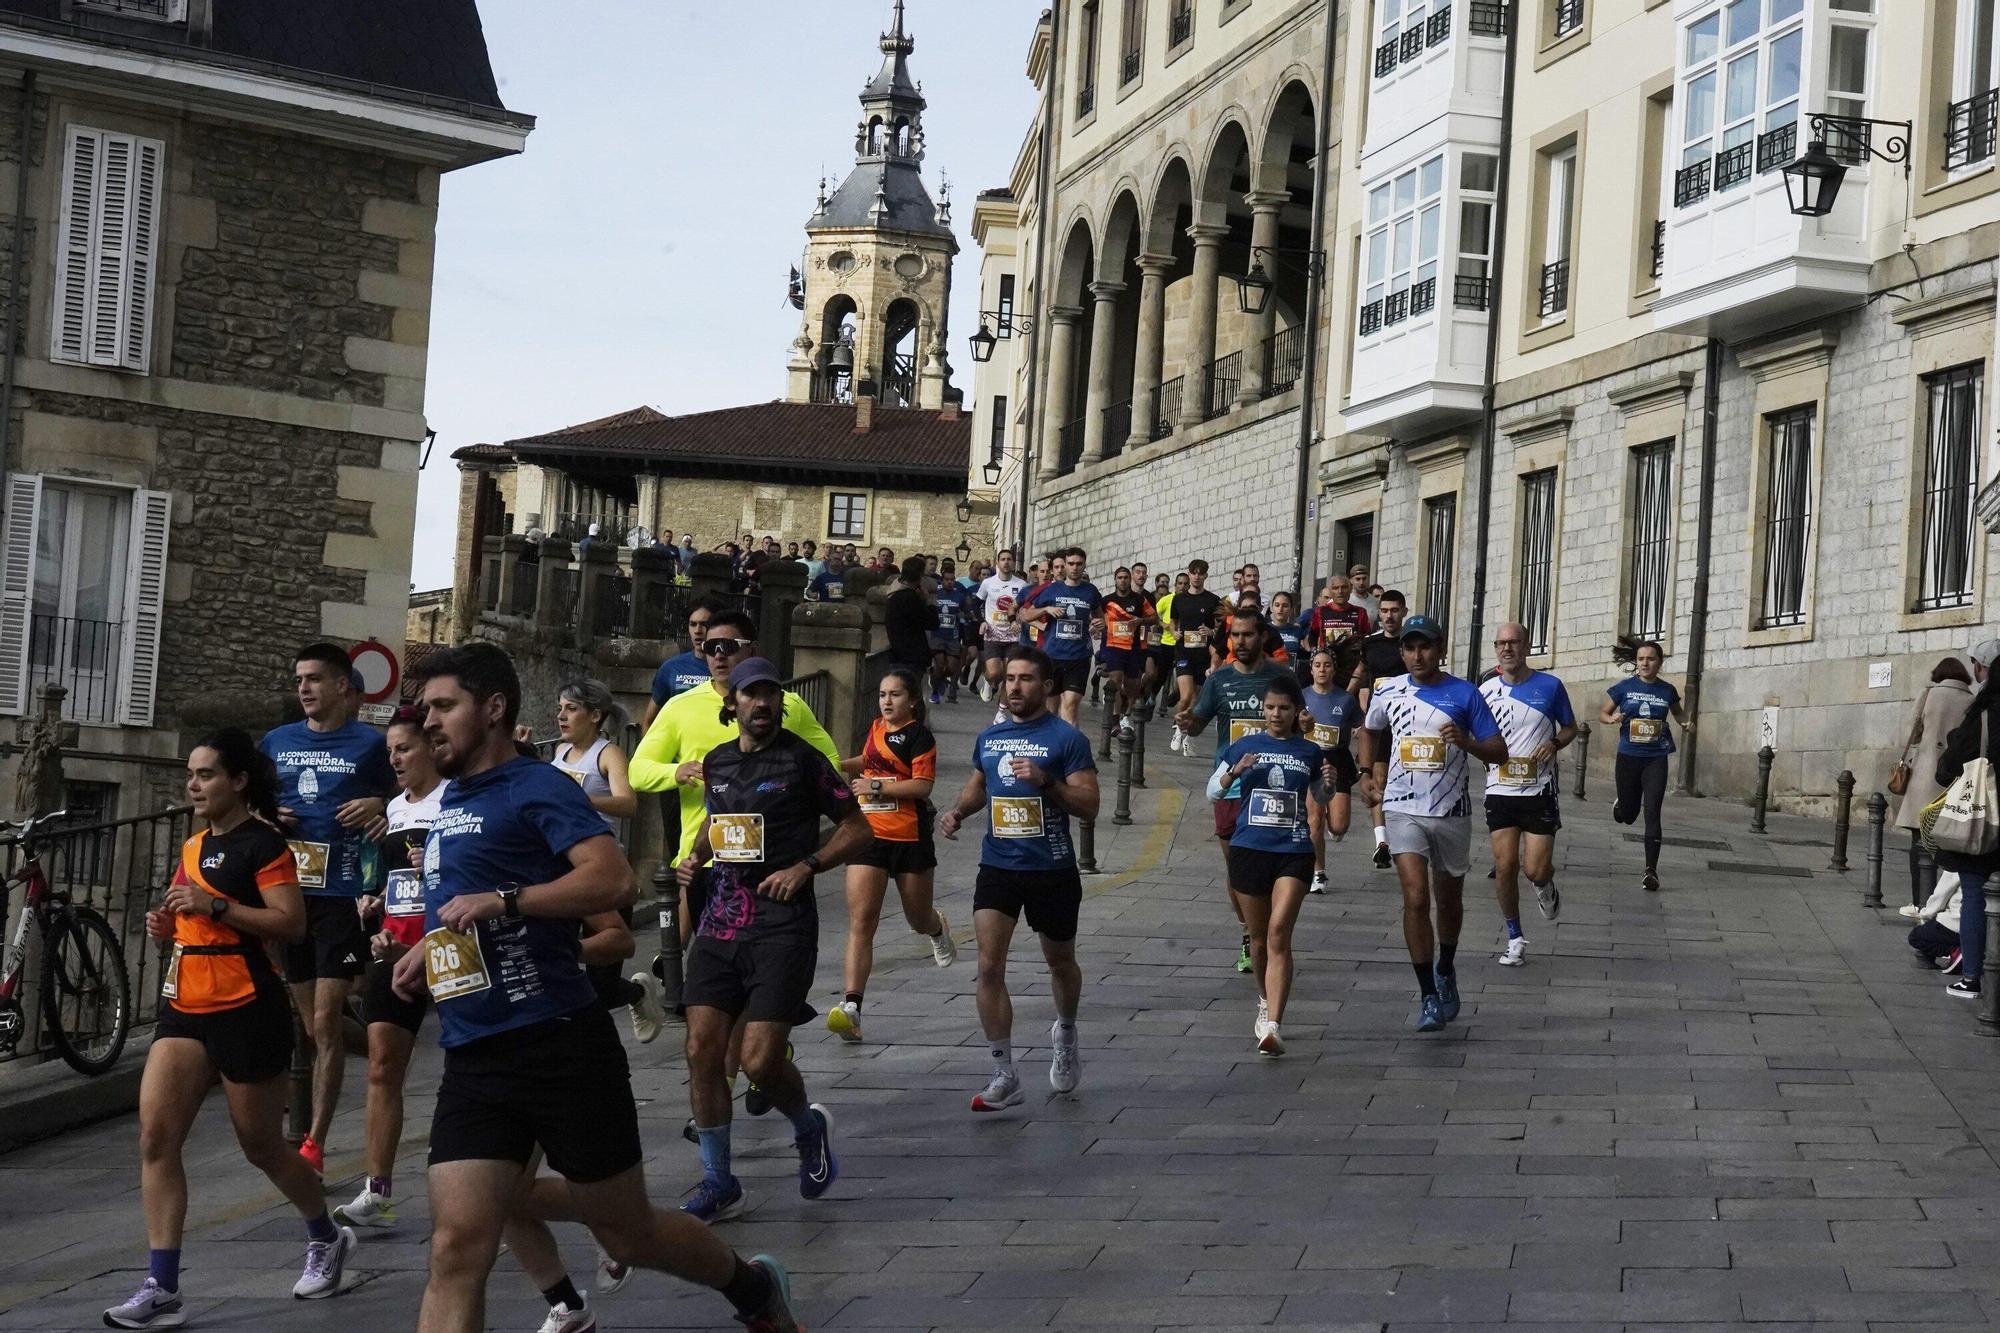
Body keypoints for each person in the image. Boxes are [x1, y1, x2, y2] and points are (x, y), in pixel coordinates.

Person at [392, 642, 804, 1333]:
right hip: (475, 1054)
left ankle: (751, 1285)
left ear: (492, 708)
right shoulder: (452, 796)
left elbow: (614, 881)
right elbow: (464, 907)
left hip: (561, 1048)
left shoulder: (539, 786)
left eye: (443, 706)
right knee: (456, 1247)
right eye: (424, 708)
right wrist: (431, 952)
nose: (428, 721)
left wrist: (506, 899)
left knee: (629, 1235)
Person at [105, 730, 353, 1328]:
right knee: (156, 1139)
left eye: (207, 774)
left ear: (238, 780)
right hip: (185, 1004)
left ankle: (326, 1234)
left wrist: (212, 906)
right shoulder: (193, 846)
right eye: (191, 774)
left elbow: (290, 925)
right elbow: (187, 913)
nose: (193, 785)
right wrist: (169, 925)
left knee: (261, 1147)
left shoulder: (264, 844)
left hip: (247, 1004)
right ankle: (162, 1284)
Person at [674, 658, 873, 1219]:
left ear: (780, 704)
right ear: (731, 703)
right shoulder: (716, 763)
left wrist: (807, 866)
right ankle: (719, 1182)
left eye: (770, 695)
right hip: (719, 923)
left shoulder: (803, 760)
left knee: (760, 1063)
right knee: (700, 1051)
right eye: (750, 694)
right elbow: (722, 829)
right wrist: (696, 860)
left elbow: (858, 828)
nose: (761, 703)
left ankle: (808, 1126)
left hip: (782, 927)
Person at [938, 646, 1097, 1111]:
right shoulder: (990, 737)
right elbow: (979, 786)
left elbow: (1089, 805)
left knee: (1060, 963)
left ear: (1046, 686)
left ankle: (1065, 1031)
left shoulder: (1067, 739)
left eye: (1026, 678)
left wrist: (1047, 782)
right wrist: (958, 812)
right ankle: (1004, 1072)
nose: (1014, 686)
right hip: (999, 866)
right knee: (988, 966)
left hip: (1051, 868)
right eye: (1009, 678)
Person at [259, 642, 396, 1173]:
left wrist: (381, 804)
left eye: (314, 679)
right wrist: (270, 817)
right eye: (299, 680)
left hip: (342, 894)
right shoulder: (276, 741)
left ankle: (313, 1145)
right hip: (288, 895)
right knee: (318, 1027)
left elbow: (418, 792)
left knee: (322, 1017)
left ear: (344, 687)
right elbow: (251, 800)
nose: (304, 688)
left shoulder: (371, 745)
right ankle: (387, 1043)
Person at [1357, 615, 1508, 1032]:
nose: (1417, 655)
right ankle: (1426, 994)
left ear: (1440, 649)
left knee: (1449, 900)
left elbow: (1499, 751)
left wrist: (1468, 743)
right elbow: (1368, 731)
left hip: (1451, 812)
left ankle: (1446, 966)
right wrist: (1366, 773)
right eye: (1409, 647)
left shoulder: (1465, 694)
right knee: (1416, 898)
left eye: (1425, 647)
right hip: (1403, 807)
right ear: (1401, 651)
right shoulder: (1389, 690)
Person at [334, 710, 444, 1233]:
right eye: (390, 751)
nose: (395, 759)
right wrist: (376, 911)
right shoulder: (394, 810)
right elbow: (398, 883)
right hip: (395, 948)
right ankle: (377, 1191)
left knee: (473, 1064)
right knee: (381, 1066)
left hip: (450, 944)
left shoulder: (459, 799)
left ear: (430, 748)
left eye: (404, 748)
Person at [1206, 675, 1332, 1057]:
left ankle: (1274, 1024)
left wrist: (1329, 783)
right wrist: (1236, 770)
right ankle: (1264, 998)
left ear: (1297, 712)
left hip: (1293, 850)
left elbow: (1320, 797)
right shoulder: (1245, 746)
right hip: (1249, 848)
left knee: (1279, 932)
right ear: (1264, 710)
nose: (1276, 714)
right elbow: (1214, 790)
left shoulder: (1308, 752)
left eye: (1284, 708)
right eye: (1271, 708)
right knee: (1259, 939)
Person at [829, 667, 956, 1043]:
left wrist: (876, 786)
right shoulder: (875, 730)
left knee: (917, 918)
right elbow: (868, 763)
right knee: (862, 922)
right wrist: (836, 764)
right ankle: (852, 1007)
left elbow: (922, 785)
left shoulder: (920, 737)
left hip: (909, 837)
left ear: (912, 700)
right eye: (883, 694)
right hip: (868, 837)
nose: (886, 701)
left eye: (895, 694)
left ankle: (937, 927)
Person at [549, 678, 670, 1044]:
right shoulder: (558, 753)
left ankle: (634, 993)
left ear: (595, 715)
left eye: (571, 709)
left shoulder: (608, 754)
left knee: (601, 985)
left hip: (604, 873)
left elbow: (628, 803)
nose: (561, 716)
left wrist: (580, 801)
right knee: (560, 966)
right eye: (560, 708)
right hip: (563, 872)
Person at [1178, 607, 1293, 975]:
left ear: (1261, 637)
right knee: (1239, 870)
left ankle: (1272, 932)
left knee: (1278, 865)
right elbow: (1198, 725)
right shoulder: (1220, 679)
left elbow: (1299, 721)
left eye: (1246, 635)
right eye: (1235, 636)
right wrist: (1188, 722)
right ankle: (1250, 933)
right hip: (1231, 787)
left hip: (1274, 785)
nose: (1240, 642)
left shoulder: (1280, 676)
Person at [1479, 624, 1577, 966]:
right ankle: (1515, 937)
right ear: (1495, 649)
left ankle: (1545, 885)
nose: (1508, 649)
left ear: (1526, 647)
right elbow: (1475, 732)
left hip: (1538, 791)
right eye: (1502, 644)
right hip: (1499, 790)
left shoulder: (1550, 687)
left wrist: (1553, 743)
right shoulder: (1486, 689)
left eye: (1514, 643)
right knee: (1505, 866)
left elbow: (1570, 728)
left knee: (1534, 869)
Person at [1933, 659, 2000, 1000]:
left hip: (1984, 822)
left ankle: (1972, 977)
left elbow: (1946, 770)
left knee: (1975, 896)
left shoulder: (1984, 718)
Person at [1600, 640, 1690, 893]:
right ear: (1636, 663)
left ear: (1659, 663)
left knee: (1653, 811)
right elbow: (1603, 713)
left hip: (1656, 757)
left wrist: (1686, 723)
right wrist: (1612, 718)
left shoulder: (1668, 690)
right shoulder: (1624, 688)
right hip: (1628, 756)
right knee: (1629, 816)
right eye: (1641, 659)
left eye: (1650, 659)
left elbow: (1678, 713)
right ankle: (1622, 806)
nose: (1645, 663)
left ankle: (1651, 870)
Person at [1895, 657, 1977, 907]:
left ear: (1938, 674)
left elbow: (1911, 732)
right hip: (1955, 780)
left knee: (1919, 842)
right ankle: (1943, 903)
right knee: (1951, 843)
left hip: (1924, 777)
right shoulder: (1971, 700)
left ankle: (1919, 900)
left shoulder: (1928, 694)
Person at [1349, 589, 1410, 870]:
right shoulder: (1370, 644)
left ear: (1404, 612)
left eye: (1394, 610)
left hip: (1409, 723)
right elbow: (1362, 675)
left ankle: (1407, 832)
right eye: (1384, 611)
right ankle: (1382, 842)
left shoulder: (1411, 644)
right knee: (1379, 778)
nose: (1388, 616)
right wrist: (1346, 699)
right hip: (1378, 724)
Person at [1021, 546, 1104, 727]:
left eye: (1079, 564)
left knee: (1070, 704)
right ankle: (1052, 744)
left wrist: (1099, 623)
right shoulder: (1051, 590)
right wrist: (1046, 609)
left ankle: (1069, 748)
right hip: (1053, 655)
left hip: (1079, 656)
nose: (1075, 568)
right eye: (1071, 564)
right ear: (1065, 565)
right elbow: (1026, 615)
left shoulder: (1090, 591)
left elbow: (1099, 615)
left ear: (1084, 566)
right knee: (1050, 709)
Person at [1301, 647, 1361, 894]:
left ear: (1334, 670)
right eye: (1317, 665)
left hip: (1338, 762)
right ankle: (1318, 873)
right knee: (1313, 821)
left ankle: (1331, 823)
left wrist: (1360, 733)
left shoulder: (1345, 700)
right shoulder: (1301, 696)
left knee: (1338, 826)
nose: (1322, 670)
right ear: (1311, 669)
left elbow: (1362, 725)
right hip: (1311, 763)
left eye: (1327, 665)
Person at [1167, 560, 1224, 755]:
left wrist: (1211, 631)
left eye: (1201, 573)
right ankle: (1177, 727)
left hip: (1203, 655)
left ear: (1206, 576)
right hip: (1183, 652)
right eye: (1193, 573)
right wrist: (1174, 632)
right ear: (1189, 574)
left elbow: (1221, 627)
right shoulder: (1179, 599)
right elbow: (1172, 621)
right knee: (1186, 696)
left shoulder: (1213, 600)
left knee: (1197, 702)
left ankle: (1188, 737)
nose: (1197, 576)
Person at [643, 598, 722, 730]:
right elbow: (649, 722)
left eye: (704, 624)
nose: (698, 630)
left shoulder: (729, 667)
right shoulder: (671, 668)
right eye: (693, 624)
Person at [1097, 565, 1154, 740]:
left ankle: (1126, 716)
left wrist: (1141, 620)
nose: (1123, 580)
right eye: (1119, 578)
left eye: (1125, 578)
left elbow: (1154, 618)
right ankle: (1114, 720)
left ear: (1130, 580)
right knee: (1115, 679)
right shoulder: (1106, 600)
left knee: (1133, 685)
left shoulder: (1139, 600)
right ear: (1115, 580)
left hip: (1133, 648)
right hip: (1113, 647)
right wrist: (1098, 625)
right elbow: (1097, 618)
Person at [976, 549, 1029, 702]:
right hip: (992, 634)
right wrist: (982, 622)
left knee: (1008, 674)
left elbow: (1026, 607)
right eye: (1003, 559)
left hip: (1013, 636)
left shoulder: (1022, 585)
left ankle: (1001, 711)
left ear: (1013, 563)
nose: (1006, 562)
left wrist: (1019, 620)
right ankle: (988, 681)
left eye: (1009, 559)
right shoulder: (988, 583)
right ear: (997, 563)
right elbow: (975, 604)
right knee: (994, 673)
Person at [928, 558, 969, 703]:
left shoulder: (959, 596)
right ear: (942, 580)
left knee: (951, 668)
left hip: (953, 637)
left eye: (952, 579)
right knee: (939, 663)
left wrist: (965, 616)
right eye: (947, 579)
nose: (950, 582)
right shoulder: (936, 594)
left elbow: (967, 611)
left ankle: (937, 677)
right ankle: (934, 693)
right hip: (937, 635)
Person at [1906, 870, 1963, 972]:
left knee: (1916, 936)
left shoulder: (1956, 864)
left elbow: (1940, 896)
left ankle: (1956, 951)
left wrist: (1924, 915)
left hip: (1957, 925)